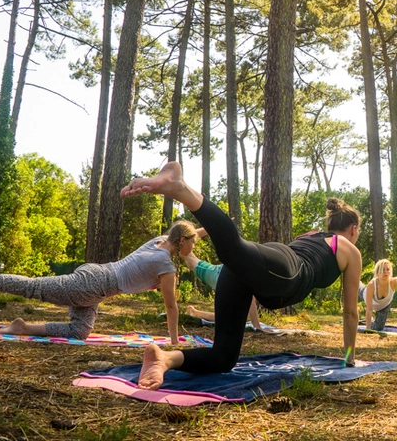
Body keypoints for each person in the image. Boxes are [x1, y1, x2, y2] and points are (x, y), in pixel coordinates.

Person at [119, 161, 362, 390]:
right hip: (289, 272)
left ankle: (164, 359)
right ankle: (179, 188)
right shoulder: (350, 250)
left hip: (264, 267)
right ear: (353, 229)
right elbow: (350, 312)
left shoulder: (311, 234)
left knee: (223, 357)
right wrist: (349, 358)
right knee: (234, 248)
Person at [0, 220, 197, 345]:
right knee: (33, 286)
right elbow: (171, 307)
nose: (195, 245)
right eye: (193, 241)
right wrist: (174, 342)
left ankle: (21, 326)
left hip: (96, 285)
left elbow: (185, 232)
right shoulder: (165, 265)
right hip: (91, 285)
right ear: (183, 241)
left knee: (78, 333)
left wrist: (212, 229)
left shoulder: (159, 241)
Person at [181, 234, 264, 332]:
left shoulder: (250, 275)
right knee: (190, 259)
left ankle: (194, 312)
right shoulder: (248, 274)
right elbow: (250, 300)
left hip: (223, 278)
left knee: (231, 318)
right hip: (217, 273)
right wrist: (257, 326)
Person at [361, 260, 397, 331]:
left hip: (384, 306)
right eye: (383, 269)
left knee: (378, 328)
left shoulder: (392, 282)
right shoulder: (372, 285)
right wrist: (368, 329)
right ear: (377, 272)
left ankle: (363, 322)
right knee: (357, 287)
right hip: (368, 298)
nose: (385, 271)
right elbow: (369, 309)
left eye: (387, 269)